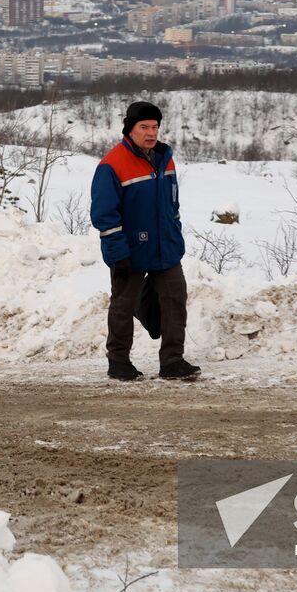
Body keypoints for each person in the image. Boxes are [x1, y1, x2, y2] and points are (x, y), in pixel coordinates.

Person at [90, 101, 199, 382]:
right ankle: (118, 360)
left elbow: (172, 204)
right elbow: (104, 215)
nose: (151, 133)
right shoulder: (111, 165)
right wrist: (117, 253)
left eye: (155, 126)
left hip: (165, 246)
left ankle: (173, 361)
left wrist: (175, 233)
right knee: (123, 305)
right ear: (130, 130)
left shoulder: (165, 159)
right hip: (130, 249)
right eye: (144, 127)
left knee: (176, 297)